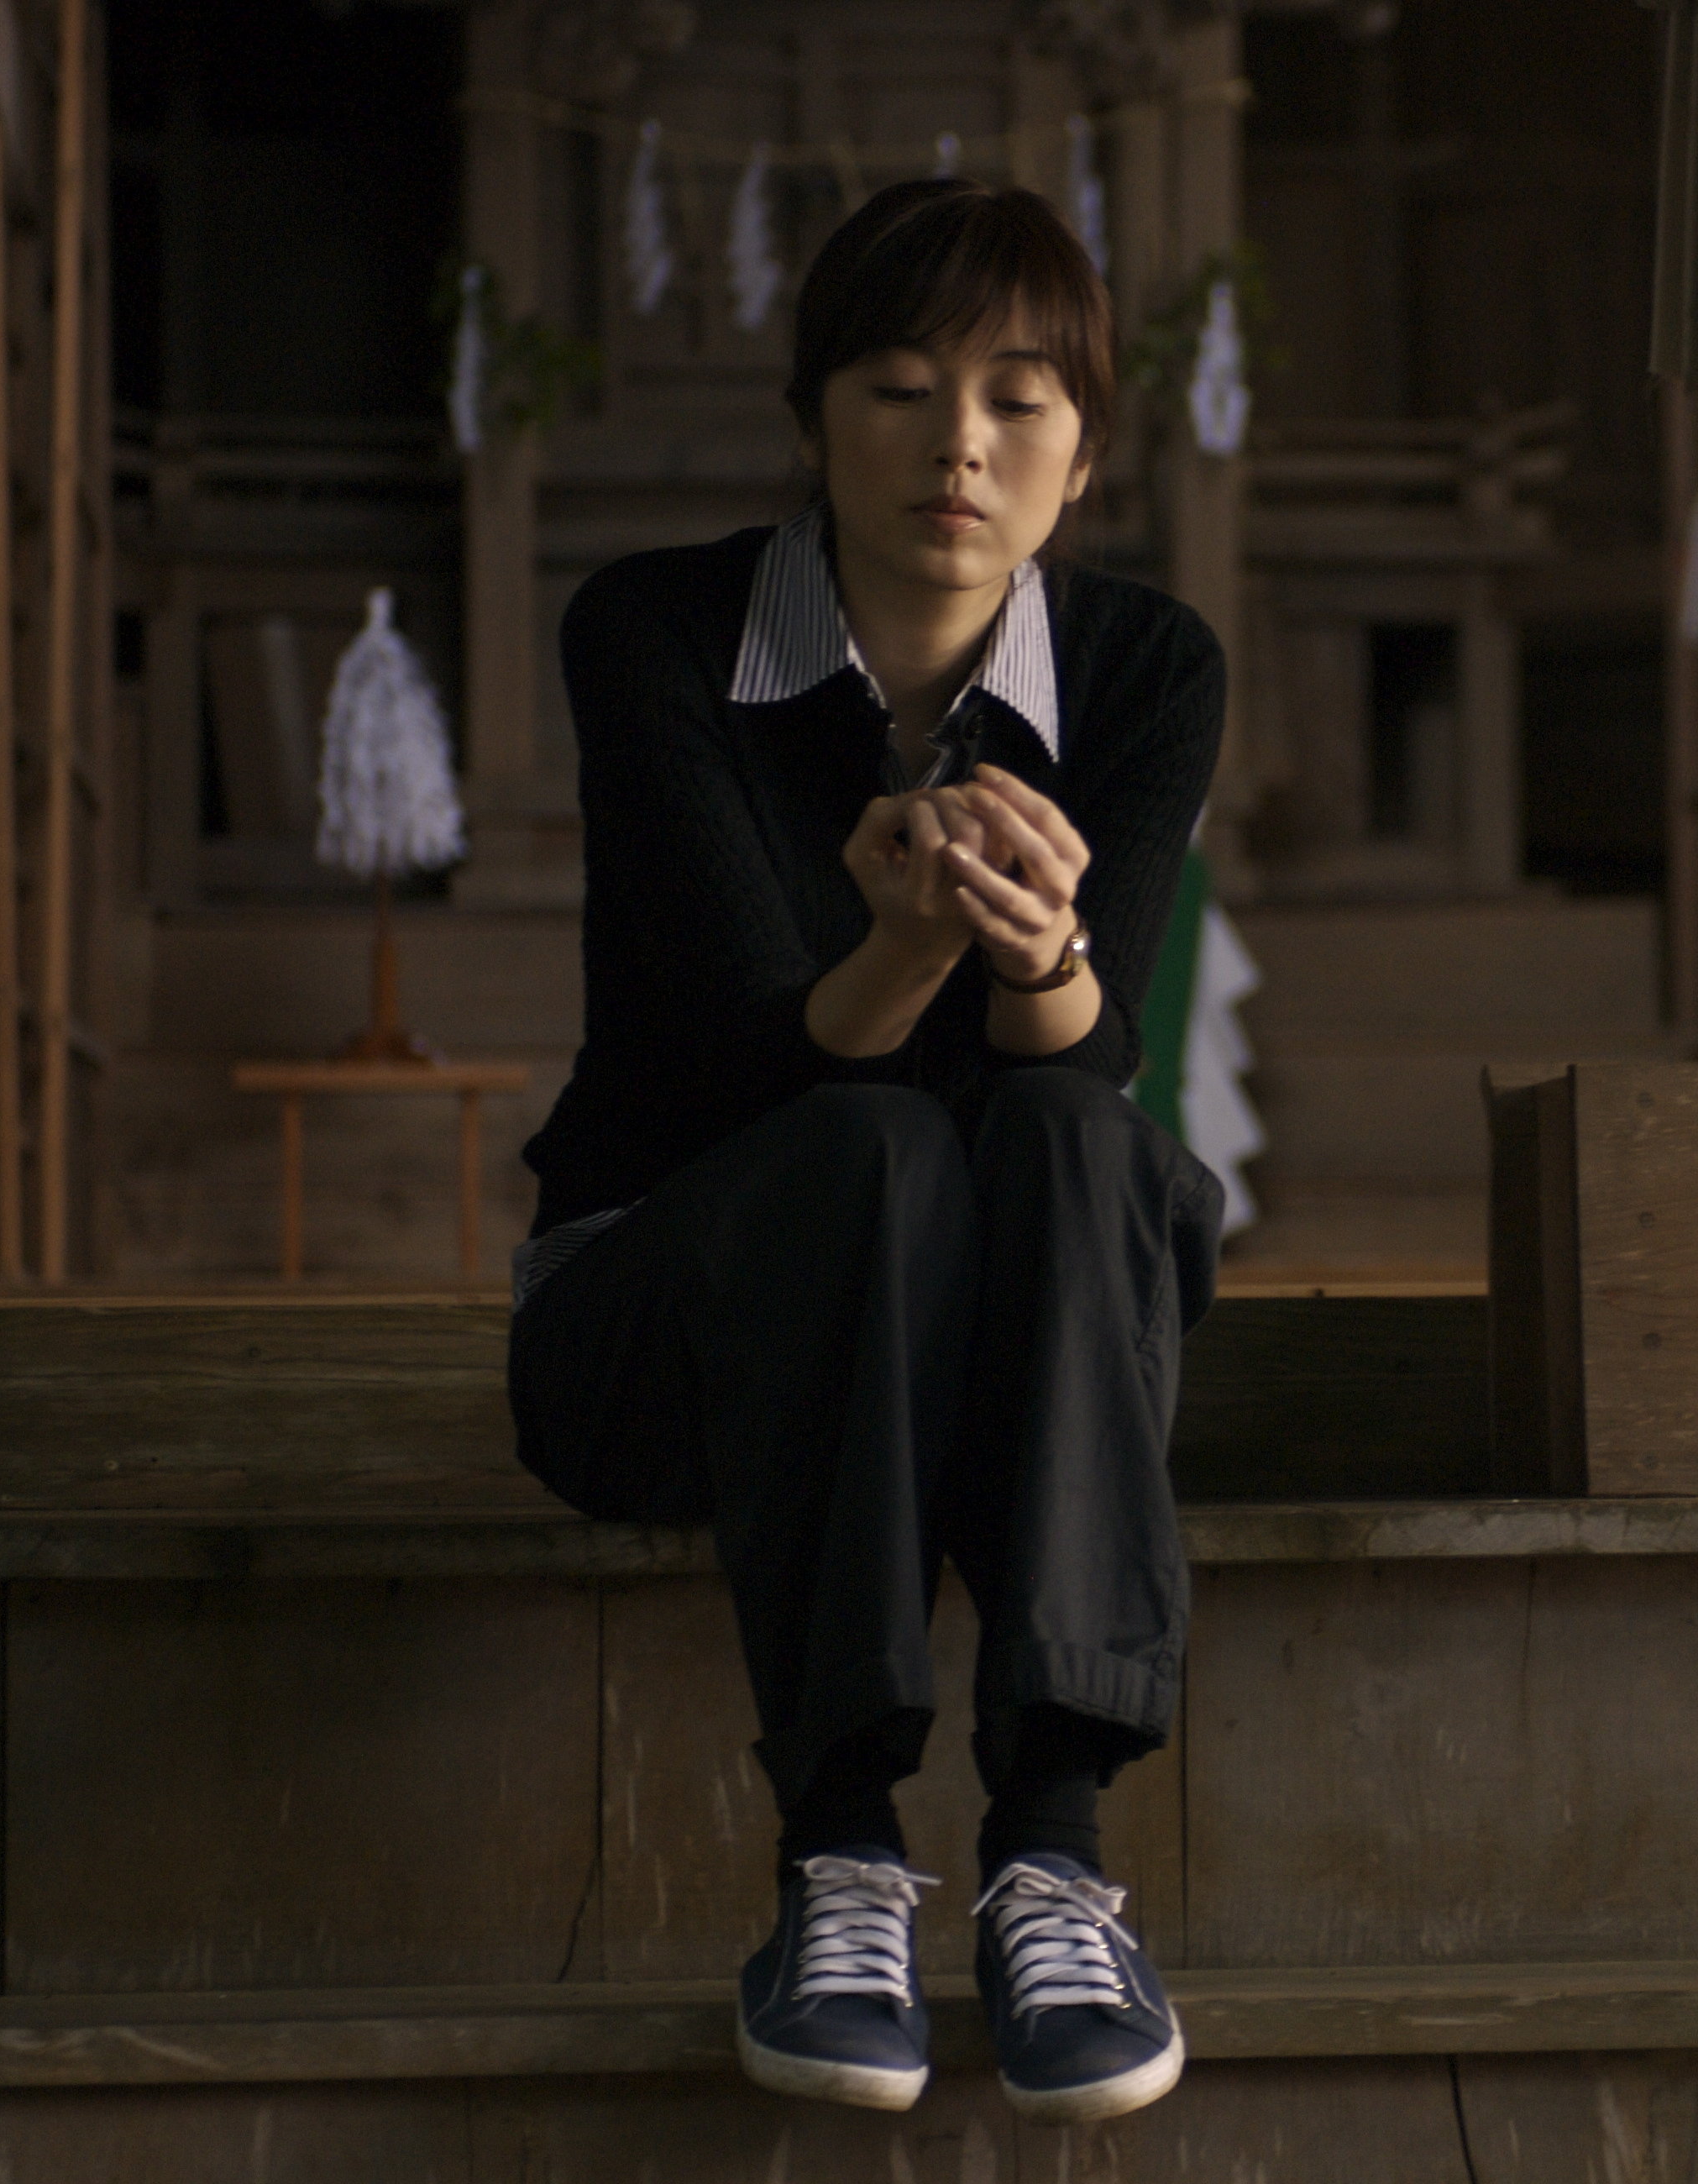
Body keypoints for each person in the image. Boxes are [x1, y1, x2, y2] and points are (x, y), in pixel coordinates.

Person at [505, 177, 1224, 2128]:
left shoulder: (1146, 673)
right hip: (664, 1323)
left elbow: (1105, 1053)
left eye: (1018, 399)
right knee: (872, 1158)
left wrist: (1042, 952)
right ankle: (837, 1864)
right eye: (902, 387)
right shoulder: (656, 632)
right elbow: (751, 1061)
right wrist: (906, 942)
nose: (959, 444)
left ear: (1081, 458)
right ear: (817, 423)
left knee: (1081, 1133)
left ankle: (1054, 1855)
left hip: (987, 1352)